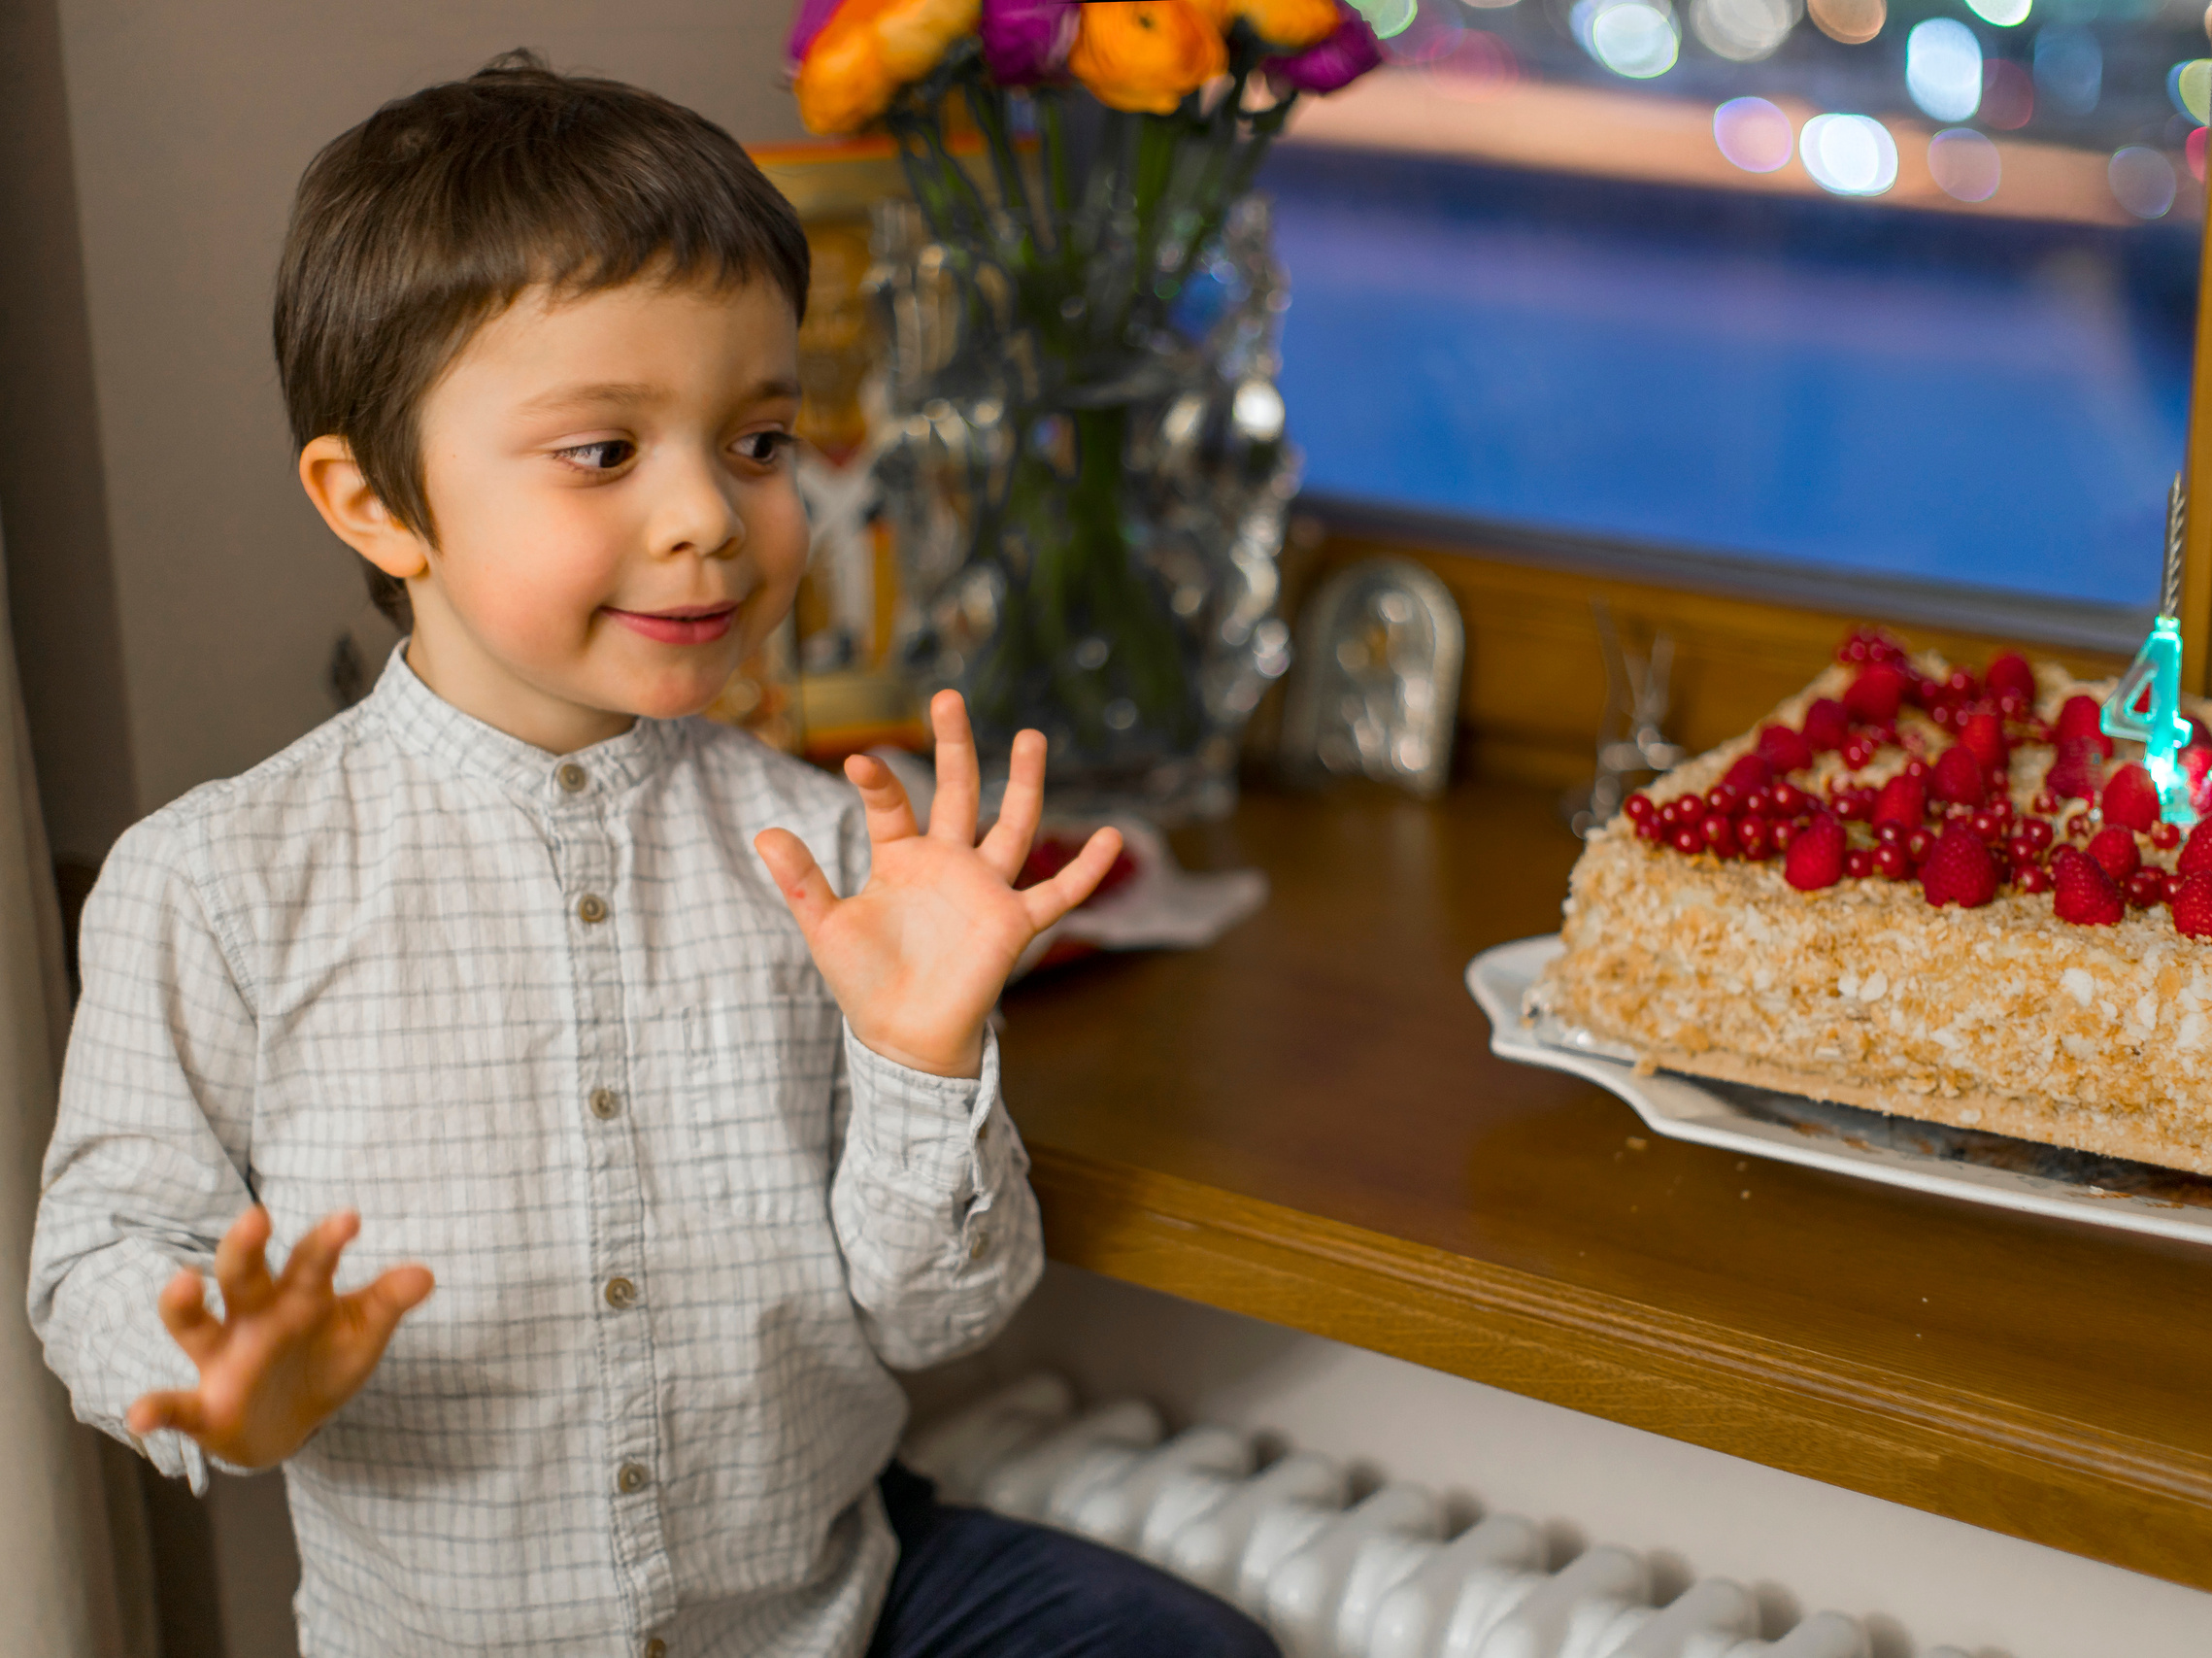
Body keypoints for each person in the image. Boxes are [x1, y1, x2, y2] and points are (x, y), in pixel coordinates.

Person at [26, 52, 1278, 1658]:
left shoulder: (829, 847)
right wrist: (215, 1381)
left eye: (757, 441)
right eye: (605, 452)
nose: (711, 516)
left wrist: (922, 1059)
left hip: (840, 1608)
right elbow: (100, 1253)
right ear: (372, 503)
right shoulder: (211, 883)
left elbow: (940, 1316)